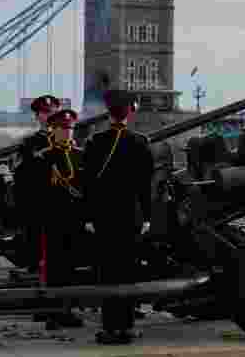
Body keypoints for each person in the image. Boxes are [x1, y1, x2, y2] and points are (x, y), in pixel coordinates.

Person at [83, 89, 154, 345]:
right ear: (130, 112)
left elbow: (87, 184)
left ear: (108, 113)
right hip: (131, 216)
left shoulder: (94, 142)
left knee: (107, 271)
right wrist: (147, 216)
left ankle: (110, 327)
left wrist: (89, 216)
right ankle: (127, 327)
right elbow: (146, 185)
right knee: (128, 270)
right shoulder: (140, 142)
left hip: (103, 217)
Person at [39, 108, 86, 330]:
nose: (67, 132)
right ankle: (53, 312)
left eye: (70, 128)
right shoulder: (44, 157)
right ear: (53, 130)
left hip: (75, 219)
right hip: (52, 220)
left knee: (71, 266)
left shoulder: (80, 155)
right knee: (53, 267)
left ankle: (68, 309)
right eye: (62, 128)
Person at [15, 95, 62, 273]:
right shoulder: (28, 143)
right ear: (37, 116)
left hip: (60, 199)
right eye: (45, 112)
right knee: (35, 243)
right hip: (37, 200)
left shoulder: (66, 140)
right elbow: (21, 176)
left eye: (52, 112)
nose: (49, 115)